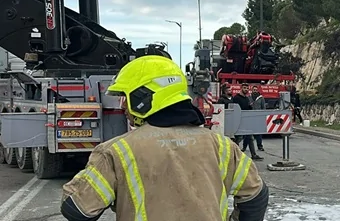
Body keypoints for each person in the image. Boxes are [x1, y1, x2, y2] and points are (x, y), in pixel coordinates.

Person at [59, 55, 268, 221]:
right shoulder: (221, 146)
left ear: (143, 97)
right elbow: (256, 195)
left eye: (126, 97)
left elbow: (78, 210)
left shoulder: (117, 151)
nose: (123, 106)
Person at [231, 84, 263, 160]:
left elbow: (247, 108)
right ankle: (235, 154)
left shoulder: (246, 98)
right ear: (241, 88)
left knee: (250, 137)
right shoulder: (236, 98)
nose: (246, 89)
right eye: (244, 88)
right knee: (238, 138)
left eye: (247, 88)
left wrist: (250, 106)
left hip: (246, 120)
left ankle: (253, 154)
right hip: (238, 121)